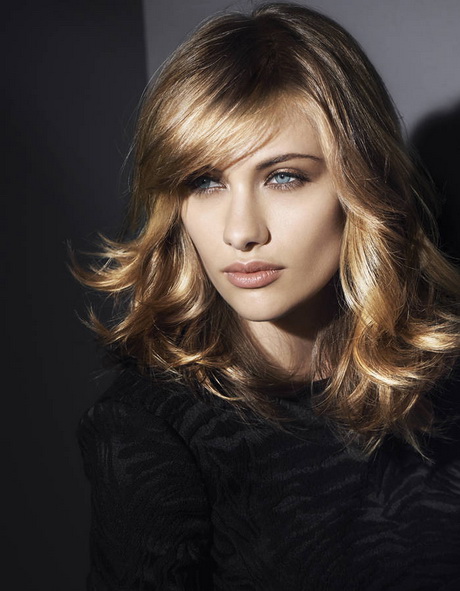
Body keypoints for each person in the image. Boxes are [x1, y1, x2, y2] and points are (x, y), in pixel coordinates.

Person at [75, 3, 460, 589]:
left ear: (361, 183)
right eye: (205, 181)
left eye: (284, 177)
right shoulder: (150, 429)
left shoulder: (443, 374)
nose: (240, 231)